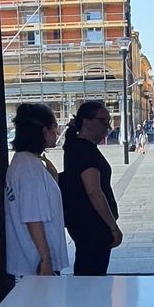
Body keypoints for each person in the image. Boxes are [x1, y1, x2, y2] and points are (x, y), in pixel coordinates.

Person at [4, 103, 69, 278]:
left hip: (31, 262)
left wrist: (52, 179)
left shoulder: (25, 162)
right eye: (54, 127)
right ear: (44, 131)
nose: (56, 132)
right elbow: (32, 218)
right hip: (35, 265)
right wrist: (46, 260)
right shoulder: (29, 168)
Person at [59, 100, 123, 275]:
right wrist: (113, 227)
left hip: (82, 223)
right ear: (86, 122)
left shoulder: (74, 145)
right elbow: (93, 191)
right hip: (93, 226)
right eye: (103, 121)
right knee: (92, 275)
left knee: (86, 273)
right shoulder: (85, 150)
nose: (107, 127)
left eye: (108, 121)